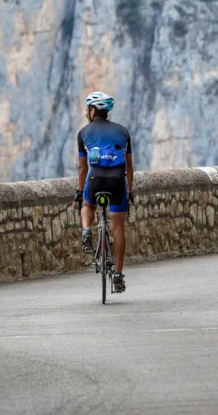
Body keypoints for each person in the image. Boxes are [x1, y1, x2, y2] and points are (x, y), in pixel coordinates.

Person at [73, 91, 134, 293]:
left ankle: (86, 230)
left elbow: (82, 168)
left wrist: (80, 191)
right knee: (117, 225)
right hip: (117, 181)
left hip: (94, 179)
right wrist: (130, 192)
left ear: (92, 111)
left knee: (88, 203)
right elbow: (129, 167)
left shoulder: (83, 133)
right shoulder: (123, 131)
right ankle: (117, 274)